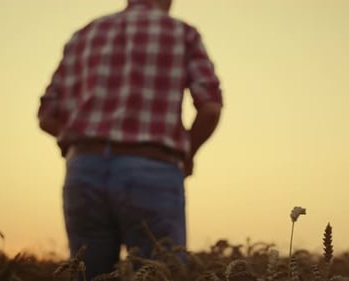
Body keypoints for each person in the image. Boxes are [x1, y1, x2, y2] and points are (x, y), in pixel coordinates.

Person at [37, 0, 223, 278]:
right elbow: (210, 108)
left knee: (88, 272)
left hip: (84, 170)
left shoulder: (86, 34)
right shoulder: (182, 33)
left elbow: (46, 115)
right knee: (159, 272)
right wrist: (187, 153)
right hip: (153, 169)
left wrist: (85, 142)